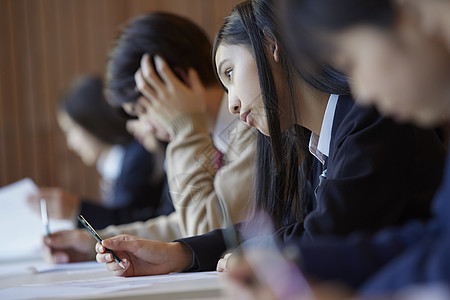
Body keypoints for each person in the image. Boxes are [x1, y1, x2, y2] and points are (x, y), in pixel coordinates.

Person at [94, 0, 445, 279]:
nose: (231, 103)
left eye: (230, 73)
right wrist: (181, 253)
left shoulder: (368, 115)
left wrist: (258, 254)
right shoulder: (314, 140)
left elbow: (325, 233)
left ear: (270, 44)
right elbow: (286, 225)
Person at [223, 0, 450, 298]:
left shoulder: (367, 119)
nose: (363, 90)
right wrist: (298, 262)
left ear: (415, 12)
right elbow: (435, 238)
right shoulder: (315, 147)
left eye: (350, 61)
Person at [40, 12, 257, 264]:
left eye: (142, 111)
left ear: (176, 81)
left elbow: (207, 233)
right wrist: (97, 241)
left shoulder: (250, 128)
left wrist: (184, 128)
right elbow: (184, 224)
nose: (144, 127)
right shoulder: (214, 135)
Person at [28, 75, 170, 230]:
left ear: (92, 122)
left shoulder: (138, 156)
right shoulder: (117, 162)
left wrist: (77, 210)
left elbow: (134, 222)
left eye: (71, 130)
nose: (71, 143)